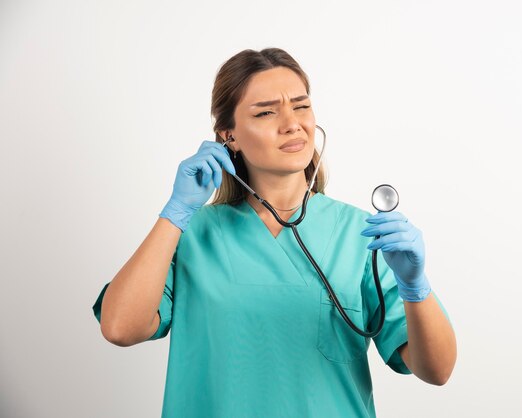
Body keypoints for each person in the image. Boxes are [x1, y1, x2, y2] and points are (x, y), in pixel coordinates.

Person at [92, 47, 457, 418]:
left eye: (301, 106)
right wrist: (176, 212)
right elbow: (120, 327)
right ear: (229, 136)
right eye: (266, 112)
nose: (291, 123)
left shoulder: (361, 235)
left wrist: (415, 287)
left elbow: (436, 370)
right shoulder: (191, 234)